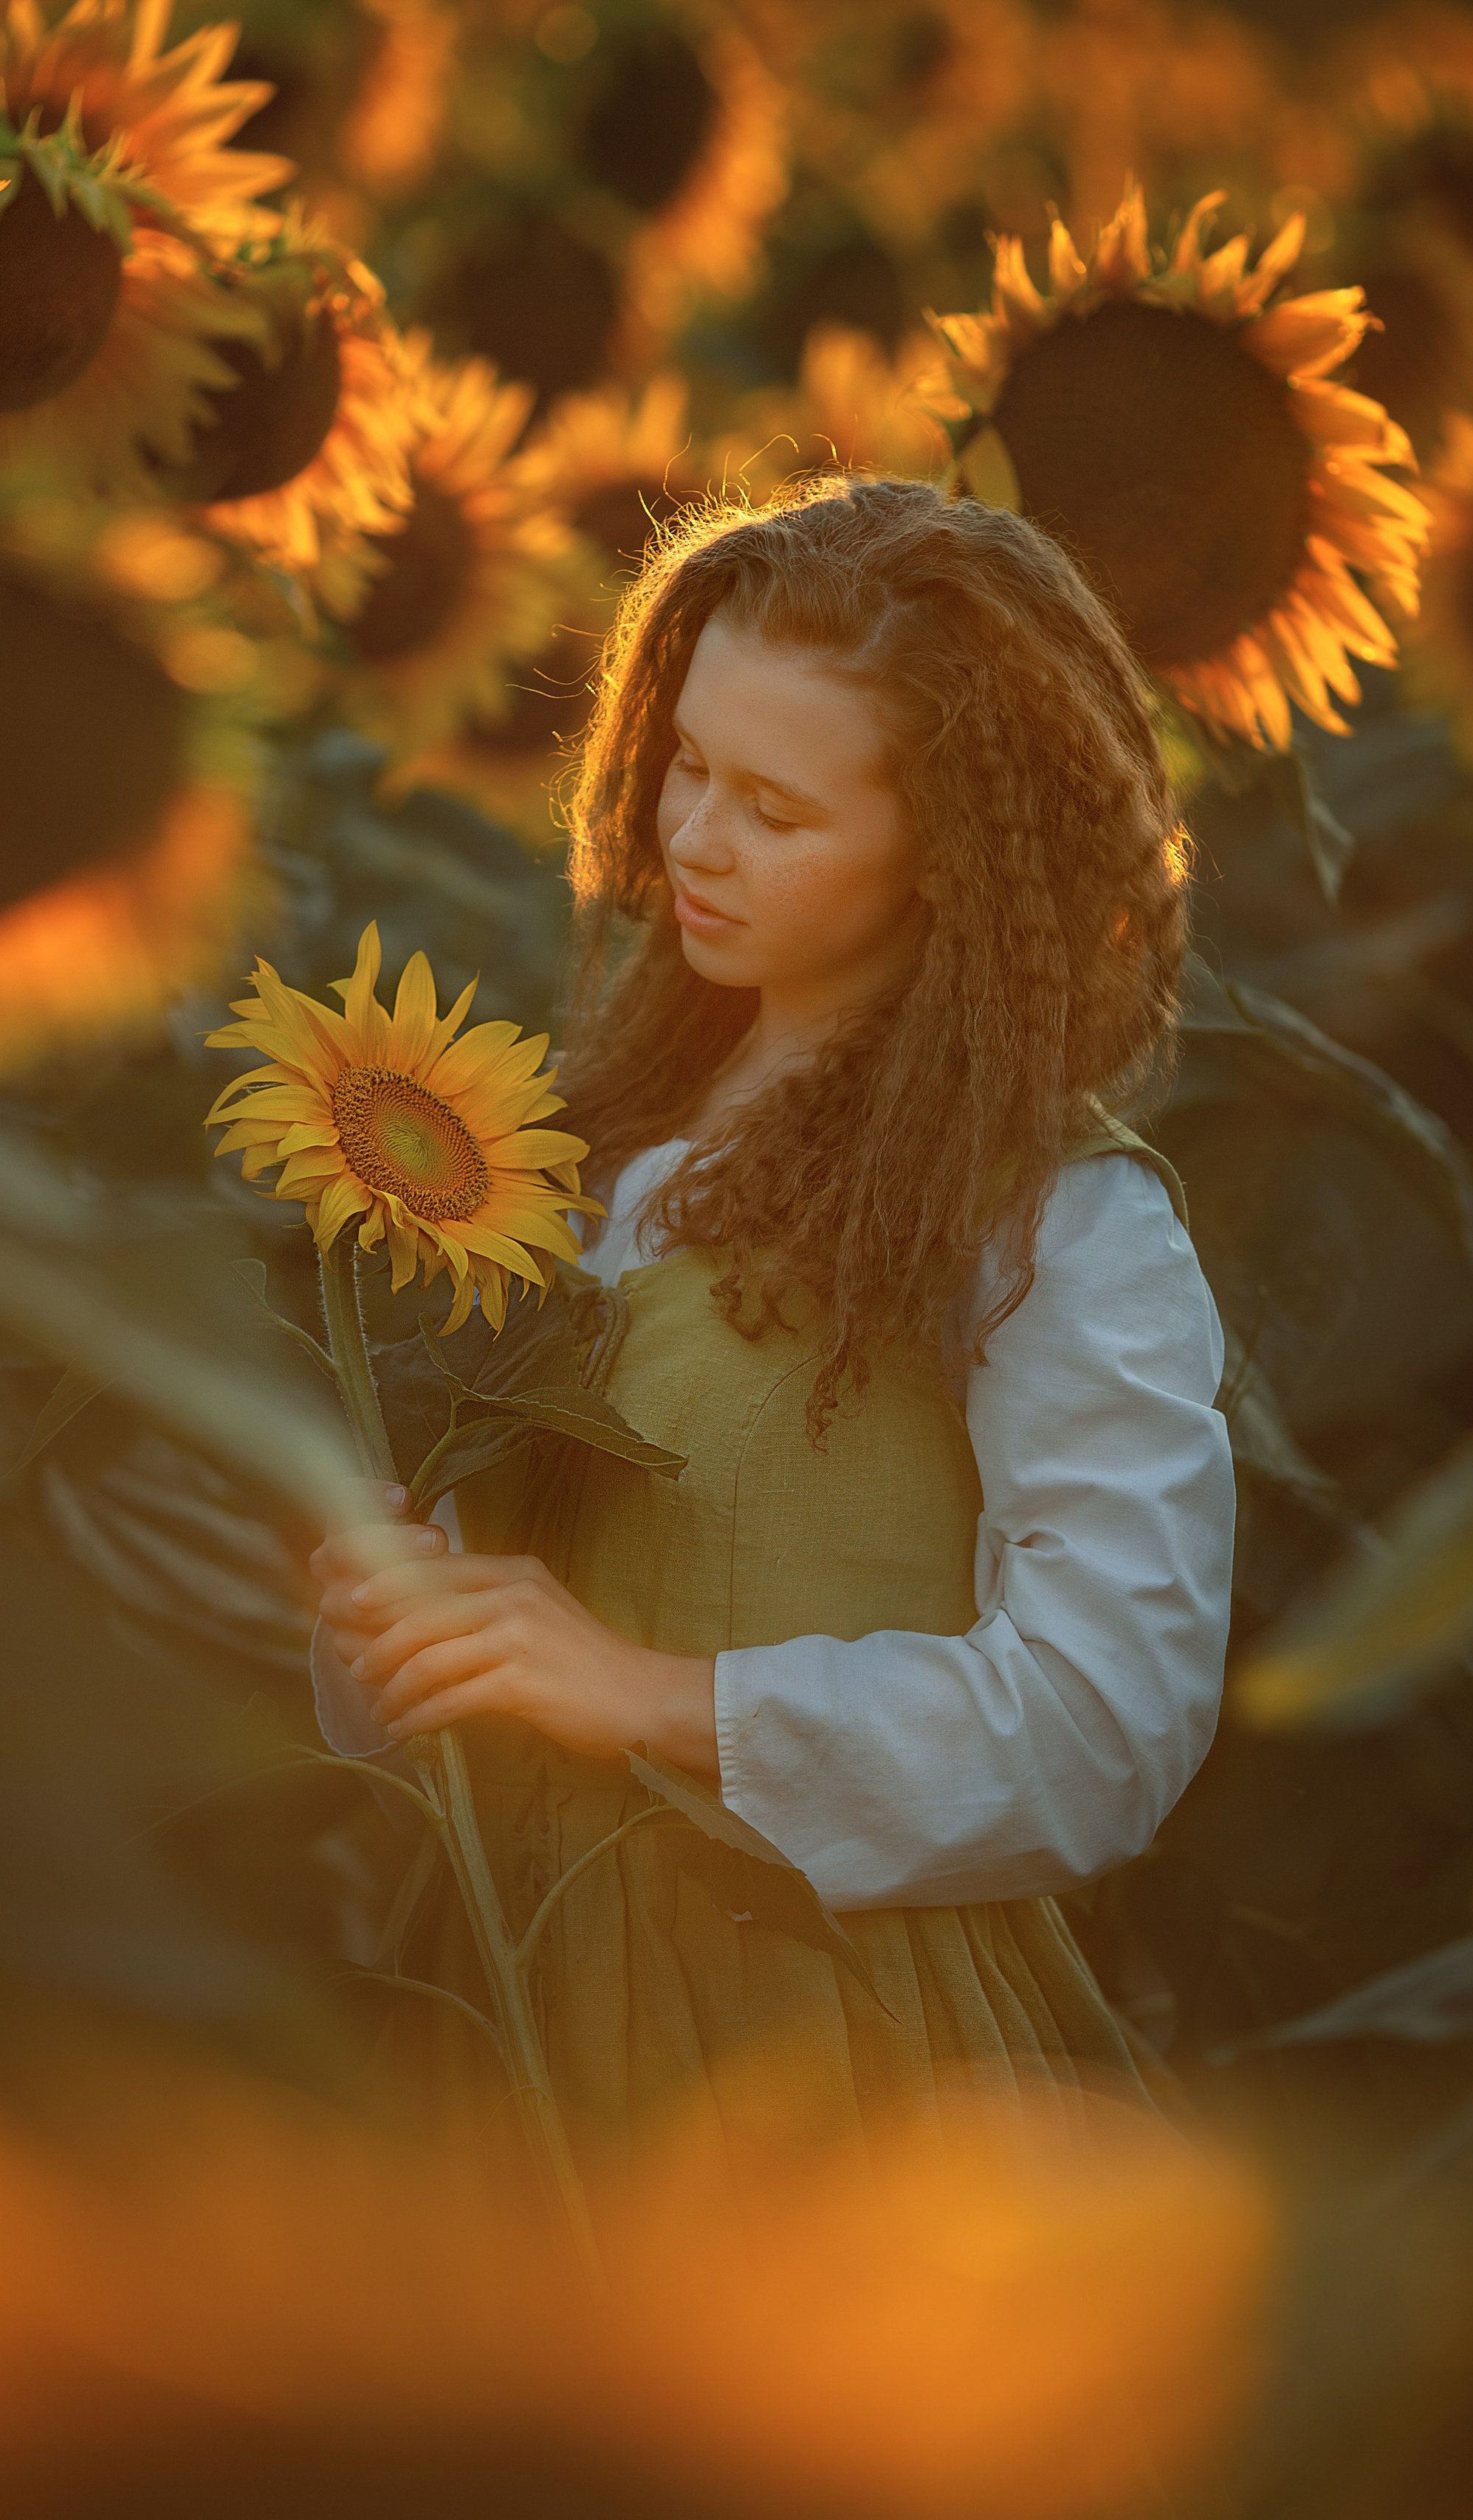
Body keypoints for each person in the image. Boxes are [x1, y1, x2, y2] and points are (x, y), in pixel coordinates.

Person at [307, 474, 1235, 2168]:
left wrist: (653, 1694)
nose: (690, 837)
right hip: (507, 2025)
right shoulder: (583, 1139)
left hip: (833, 2068)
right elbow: (512, 1649)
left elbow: (1109, 1724)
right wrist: (400, 1597)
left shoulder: (1052, 1219)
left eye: (775, 808)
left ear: (952, 855)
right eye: (685, 762)